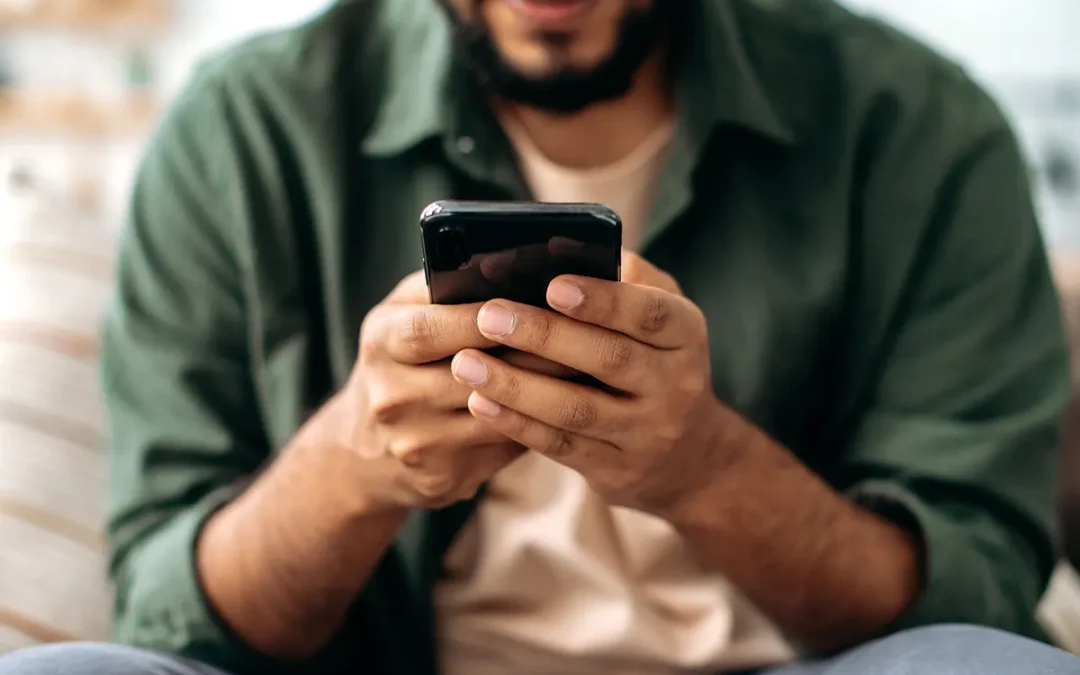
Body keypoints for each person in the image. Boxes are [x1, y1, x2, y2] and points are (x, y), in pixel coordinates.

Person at [1, 0, 1077, 673]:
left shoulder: (919, 127)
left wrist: (706, 469)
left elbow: (981, 591)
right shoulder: (245, 130)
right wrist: (353, 467)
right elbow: (163, 613)